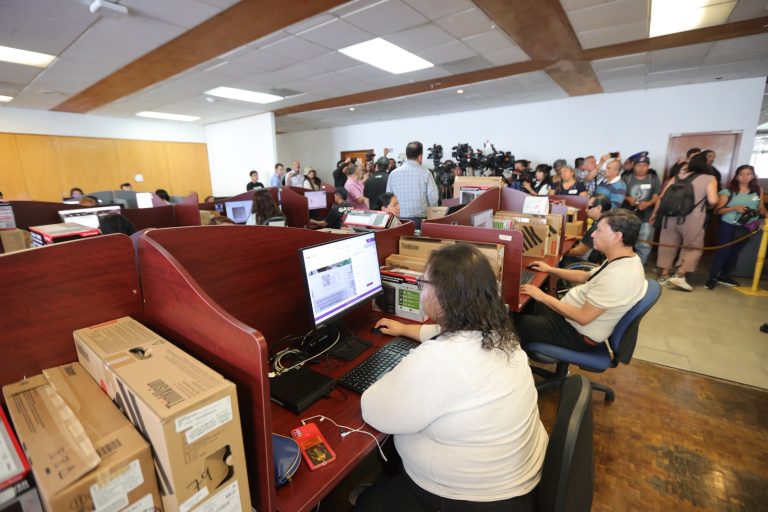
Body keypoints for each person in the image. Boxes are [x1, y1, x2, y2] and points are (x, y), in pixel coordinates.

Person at [357, 244, 547, 511]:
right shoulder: (502, 337)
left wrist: (395, 374)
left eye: (424, 282)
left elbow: (374, 411)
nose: (421, 289)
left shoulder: (439, 360)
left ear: (443, 295)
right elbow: (451, 333)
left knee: (366, 504)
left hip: (469, 500)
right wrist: (405, 329)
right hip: (516, 483)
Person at [516, 209, 647, 351]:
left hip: (573, 332)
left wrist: (543, 296)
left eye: (599, 231)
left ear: (616, 236)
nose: (593, 234)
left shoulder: (618, 276)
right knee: (523, 303)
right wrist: (550, 269)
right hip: (567, 318)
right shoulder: (623, 259)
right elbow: (584, 276)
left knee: (504, 323)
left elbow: (583, 317)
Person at [650, 153, 718, 291]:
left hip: (669, 216)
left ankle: (664, 275)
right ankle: (680, 275)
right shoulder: (710, 178)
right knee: (694, 246)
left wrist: (654, 214)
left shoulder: (676, 177)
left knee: (667, 244)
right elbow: (713, 200)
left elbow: (662, 198)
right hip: (692, 217)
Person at [706, 164, 767, 289]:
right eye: (741, 174)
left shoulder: (757, 190)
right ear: (737, 176)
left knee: (735, 252)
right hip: (728, 224)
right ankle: (712, 278)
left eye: (748, 174)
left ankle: (724, 275)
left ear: (753, 176)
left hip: (747, 226)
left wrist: (766, 214)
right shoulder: (728, 191)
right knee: (723, 251)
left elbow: (760, 208)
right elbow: (717, 211)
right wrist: (734, 208)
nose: (744, 177)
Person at [386, 141, 438, 228]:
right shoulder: (426, 173)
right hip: (419, 220)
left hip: (398, 220)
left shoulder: (393, 174)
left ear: (407, 155)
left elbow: (388, 197)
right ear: (420, 156)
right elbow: (433, 198)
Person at [622, 154, 660, 265]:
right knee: (625, 241)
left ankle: (640, 265)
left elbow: (657, 195)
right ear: (633, 166)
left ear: (648, 166)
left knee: (644, 243)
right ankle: (625, 265)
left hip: (647, 215)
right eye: (639, 165)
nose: (641, 168)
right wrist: (628, 198)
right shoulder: (626, 178)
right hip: (628, 214)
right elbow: (619, 192)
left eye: (645, 165)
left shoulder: (653, 178)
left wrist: (648, 203)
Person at [559, 193, 612, 267]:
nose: (586, 209)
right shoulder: (607, 222)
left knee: (562, 260)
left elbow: (579, 251)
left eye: (589, 207)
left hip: (584, 263)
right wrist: (577, 237)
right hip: (596, 261)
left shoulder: (596, 227)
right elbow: (591, 240)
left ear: (598, 208)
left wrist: (560, 251)